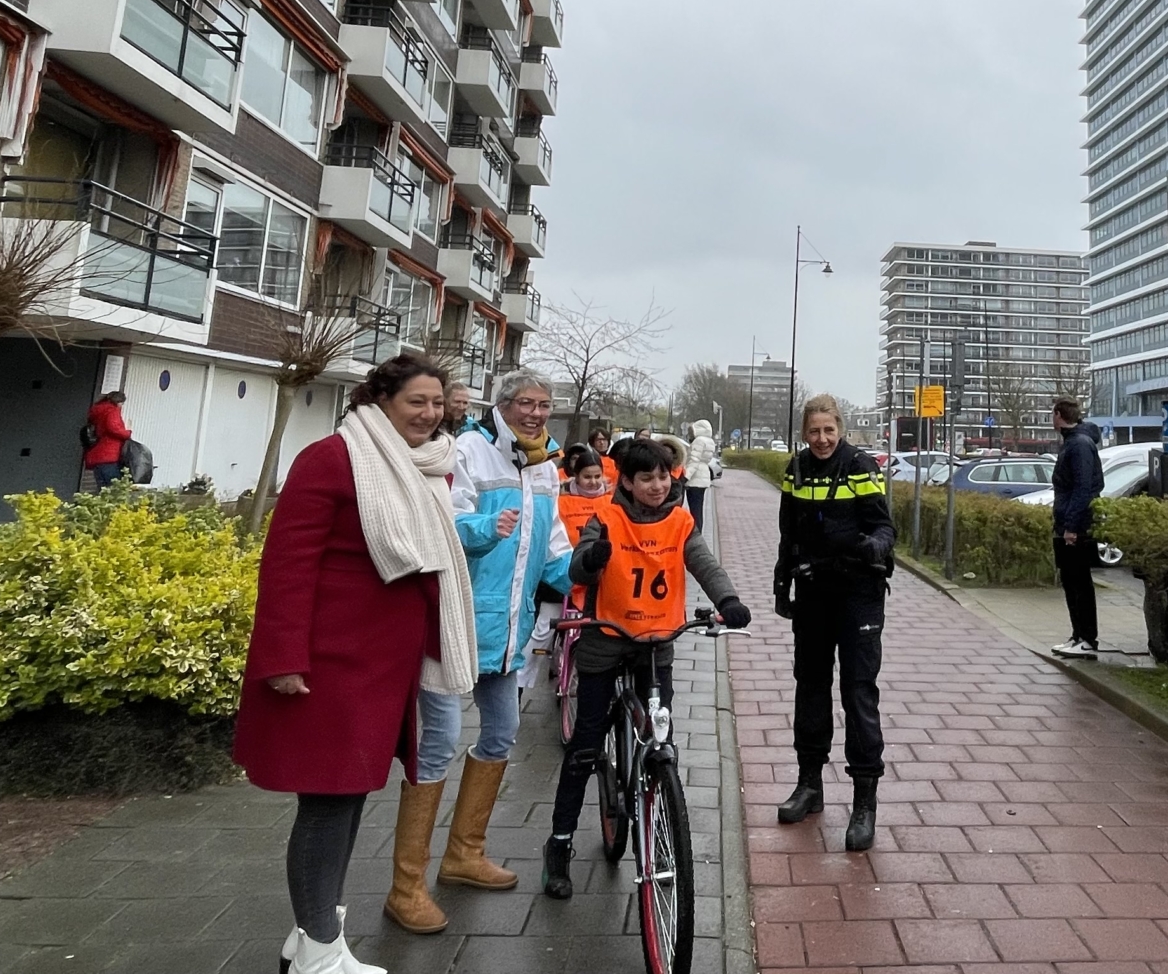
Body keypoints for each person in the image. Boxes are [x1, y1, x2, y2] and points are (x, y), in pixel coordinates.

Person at [233, 354, 476, 974]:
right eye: (416, 402)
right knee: (327, 804)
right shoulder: (333, 458)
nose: (429, 414)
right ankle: (318, 950)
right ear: (382, 400)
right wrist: (284, 659)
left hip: (381, 670)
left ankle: (314, 933)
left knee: (350, 799)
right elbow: (287, 569)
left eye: (436, 403)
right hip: (329, 667)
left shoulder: (426, 467)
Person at [380, 367, 564, 921]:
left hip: (509, 629)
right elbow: (442, 525)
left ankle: (464, 854)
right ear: (503, 406)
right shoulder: (466, 451)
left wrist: (583, 575)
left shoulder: (546, 465)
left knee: (502, 733)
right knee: (438, 740)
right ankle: (405, 887)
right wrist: (487, 527)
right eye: (526, 403)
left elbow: (553, 542)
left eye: (543, 405)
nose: (535, 413)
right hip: (456, 622)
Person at [541, 436, 751, 898]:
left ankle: (659, 821)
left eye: (662, 476)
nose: (656, 485)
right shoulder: (607, 517)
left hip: (657, 644)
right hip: (607, 638)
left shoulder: (680, 521)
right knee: (585, 745)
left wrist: (728, 599)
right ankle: (559, 844)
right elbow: (578, 567)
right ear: (629, 484)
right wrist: (591, 561)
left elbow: (703, 562)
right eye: (645, 478)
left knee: (662, 738)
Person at [772, 394, 893, 852]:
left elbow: (884, 526)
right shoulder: (796, 469)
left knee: (858, 692)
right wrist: (781, 585)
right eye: (813, 431)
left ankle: (864, 804)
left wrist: (876, 548)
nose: (822, 439)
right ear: (804, 433)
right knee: (810, 686)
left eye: (829, 430)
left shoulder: (860, 466)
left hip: (859, 594)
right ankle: (810, 785)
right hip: (814, 594)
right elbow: (788, 533)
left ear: (840, 428)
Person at [1048, 398, 1103, 659]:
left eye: (1053, 414)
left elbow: (1083, 488)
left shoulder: (1079, 445)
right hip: (1067, 523)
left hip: (1076, 527)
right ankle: (1078, 635)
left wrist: (1071, 526)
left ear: (1059, 415)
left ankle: (1087, 639)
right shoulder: (1073, 442)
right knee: (1071, 582)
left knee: (1079, 582)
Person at [83, 390, 130, 487]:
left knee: (103, 491)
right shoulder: (112, 410)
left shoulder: (98, 411)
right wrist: (127, 433)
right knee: (115, 490)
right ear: (118, 402)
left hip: (97, 455)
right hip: (109, 456)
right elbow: (113, 428)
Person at [684, 419, 719, 538]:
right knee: (698, 509)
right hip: (703, 478)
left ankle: (694, 535)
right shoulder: (709, 441)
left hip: (695, 479)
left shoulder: (698, 441)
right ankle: (698, 533)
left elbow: (694, 460)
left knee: (694, 510)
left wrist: (685, 477)